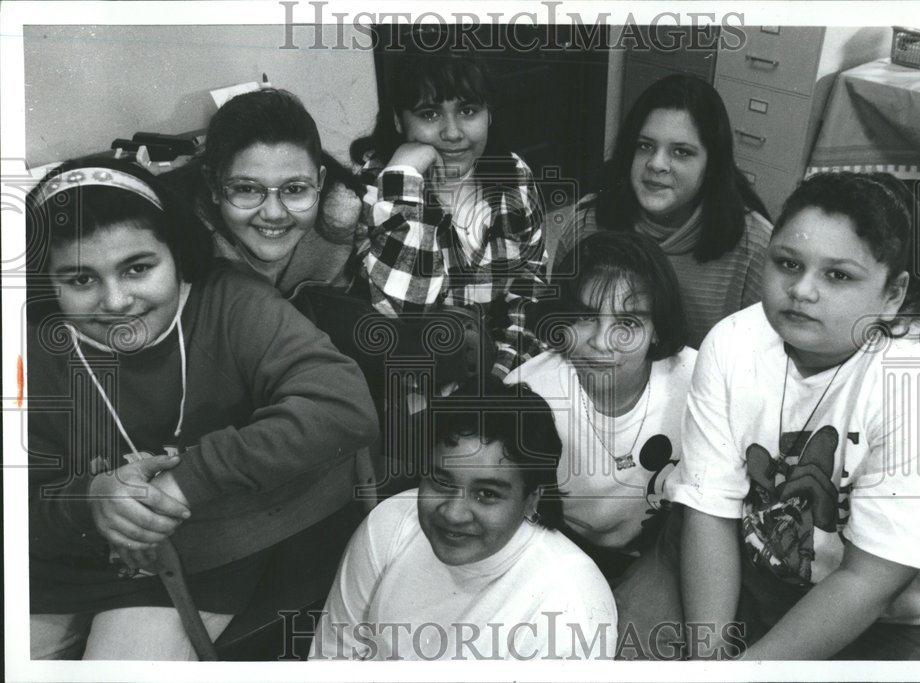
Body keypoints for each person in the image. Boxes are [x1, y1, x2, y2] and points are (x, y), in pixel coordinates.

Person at [616, 172, 920, 661]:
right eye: (787, 263)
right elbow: (711, 511)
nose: (802, 290)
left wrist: (743, 672)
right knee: (618, 654)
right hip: (750, 561)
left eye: (838, 275)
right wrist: (711, 660)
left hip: (888, 614)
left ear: (893, 294)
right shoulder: (731, 344)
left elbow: (870, 583)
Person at [26, 158, 380, 660]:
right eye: (80, 280)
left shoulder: (230, 301)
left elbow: (343, 405)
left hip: (195, 560)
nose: (116, 301)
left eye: (138, 267)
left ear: (175, 251)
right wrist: (88, 503)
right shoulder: (31, 348)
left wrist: (189, 477)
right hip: (61, 560)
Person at [309, 379, 617, 661]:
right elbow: (333, 657)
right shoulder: (390, 523)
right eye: (441, 482)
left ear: (532, 499)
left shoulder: (572, 606)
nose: (453, 513)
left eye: (486, 494)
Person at [505, 231, 696, 579]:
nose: (603, 342)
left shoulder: (699, 380)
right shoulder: (526, 393)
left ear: (657, 328)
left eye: (628, 323)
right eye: (585, 317)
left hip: (666, 549)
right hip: (558, 551)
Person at [351, 52, 547, 381]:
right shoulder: (371, 190)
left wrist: (496, 381)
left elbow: (529, 294)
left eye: (468, 110)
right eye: (429, 114)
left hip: (501, 374)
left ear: (489, 114)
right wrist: (404, 179)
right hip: (413, 385)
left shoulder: (514, 177)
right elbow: (405, 310)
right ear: (399, 121)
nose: (453, 133)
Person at [553, 74, 772, 348]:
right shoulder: (587, 219)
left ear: (712, 164)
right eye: (645, 146)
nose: (656, 164)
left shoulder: (756, 247)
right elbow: (558, 320)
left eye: (681, 152)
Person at [162, 88, 364, 307]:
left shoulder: (339, 216)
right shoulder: (180, 236)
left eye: (294, 189)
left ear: (320, 181)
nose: (274, 213)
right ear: (214, 186)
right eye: (247, 189)